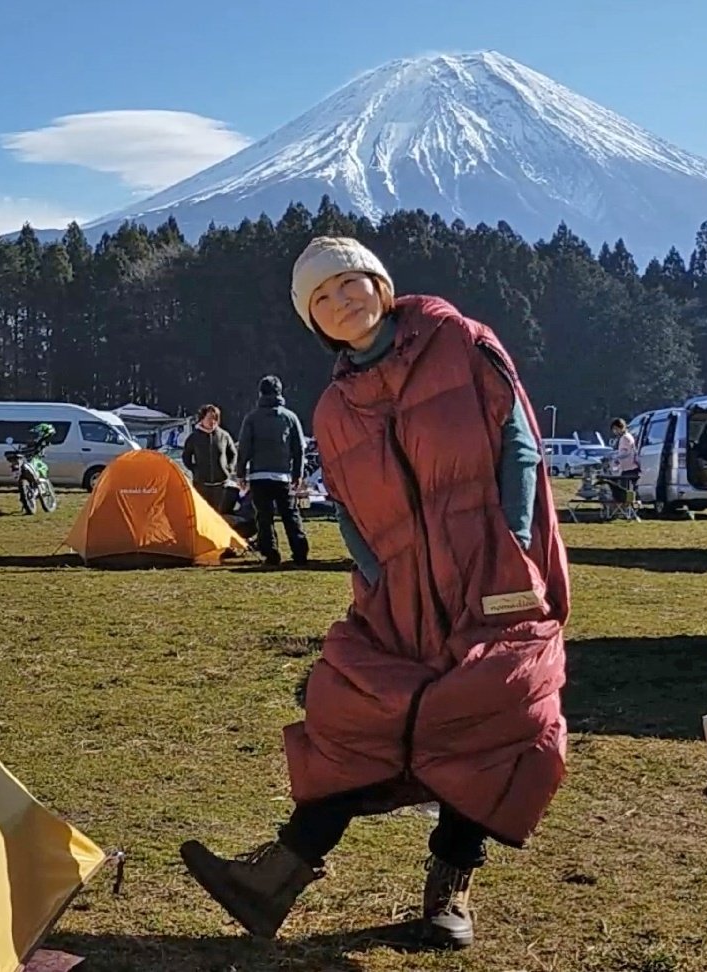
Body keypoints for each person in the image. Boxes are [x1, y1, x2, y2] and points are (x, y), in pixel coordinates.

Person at [180, 237, 570, 949]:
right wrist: (379, 576)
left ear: (379, 282)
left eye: (349, 282)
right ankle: (279, 874)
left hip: (496, 576)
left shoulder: (460, 341)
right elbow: (352, 511)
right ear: (314, 321)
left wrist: (510, 552)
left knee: (501, 719)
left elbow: (516, 445)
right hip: (403, 593)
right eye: (321, 298)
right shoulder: (333, 408)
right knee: (358, 712)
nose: (341, 301)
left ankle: (450, 886)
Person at [234, 375, 310, 566]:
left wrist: (240, 473)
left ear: (260, 393)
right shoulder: (290, 417)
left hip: (259, 475)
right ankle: (300, 552)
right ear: (280, 392)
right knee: (290, 515)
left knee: (264, 517)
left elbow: (244, 448)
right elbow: (299, 448)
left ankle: (271, 553)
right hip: (283, 475)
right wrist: (297, 474)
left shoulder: (251, 418)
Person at [182, 404, 239, 513]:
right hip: (201, 484)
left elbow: (233, 454)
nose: (212, 421)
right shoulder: (194, 437)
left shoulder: (224, 436)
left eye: (215, 419)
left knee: (218, 514)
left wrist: (229, 468)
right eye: (209, 418)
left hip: (221, 485)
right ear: (202, 419)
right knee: (202, 513)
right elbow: (186, 457)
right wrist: (195, 470)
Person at [610, 417, 640, 492]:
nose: (615, 431)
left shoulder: (625, 438)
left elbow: (626, 452)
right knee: (632, 489)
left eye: (615, 429)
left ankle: (628, 503)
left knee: (624, 491)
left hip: (629, 468)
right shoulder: (628, 436)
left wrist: (616, 457)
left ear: (620, 427)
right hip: (630, 467)